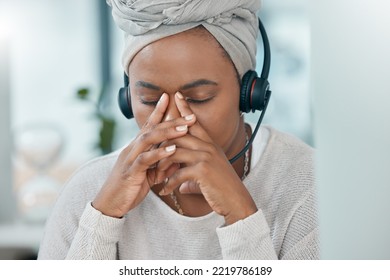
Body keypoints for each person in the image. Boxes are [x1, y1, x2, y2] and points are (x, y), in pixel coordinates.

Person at [38, 0, 319, 259]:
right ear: (127, 99)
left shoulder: (309, 185)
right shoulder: (88, 191)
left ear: (249, 94)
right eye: (150, 101)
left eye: (199, 98)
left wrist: (241, 217)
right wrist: (101, 221)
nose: (172, 122)